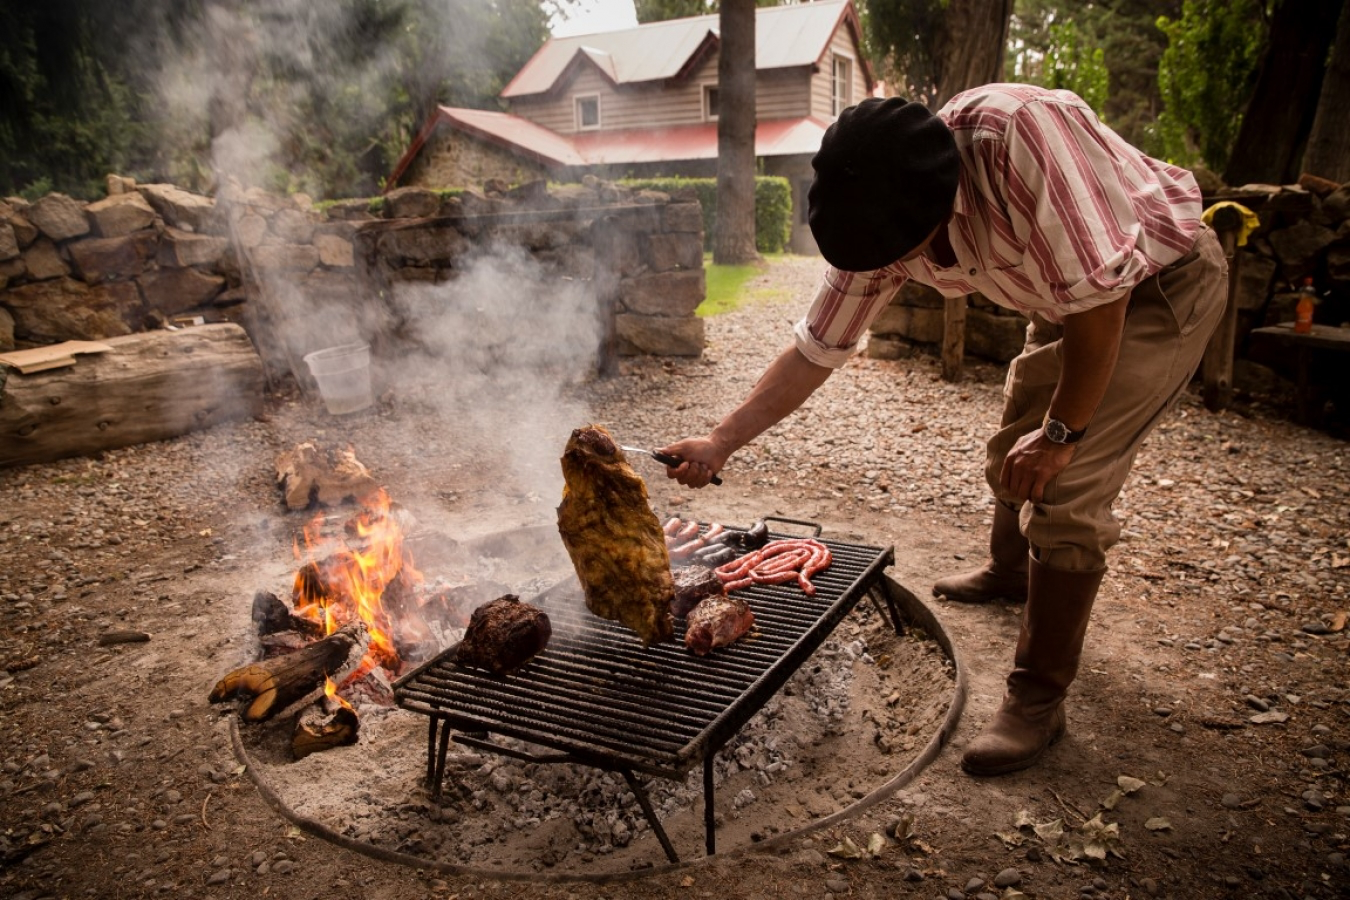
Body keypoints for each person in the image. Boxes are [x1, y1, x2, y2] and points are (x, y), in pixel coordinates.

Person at [659, 84, 1227, 776]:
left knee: (1066, 482)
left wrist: (1061, 434)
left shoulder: (1021, 141)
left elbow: (1102, 302)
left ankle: (1037, 699)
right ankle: (1011, 573)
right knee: (1013, 440)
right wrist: (721, 440)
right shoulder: (875, 195)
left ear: (941, 204)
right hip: (1063, 292)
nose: (888, 270)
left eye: (898, 255)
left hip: (1157, 284)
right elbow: (816, 349)